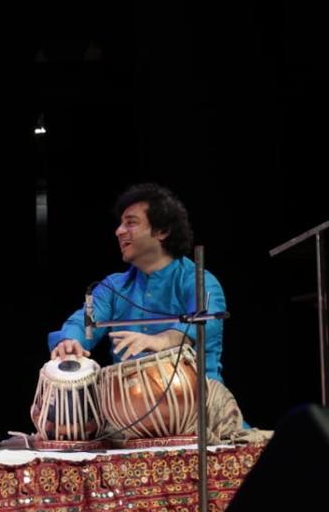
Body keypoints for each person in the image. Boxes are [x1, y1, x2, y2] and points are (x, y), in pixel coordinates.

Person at [48, 182, 244, 437]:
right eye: (120, 224)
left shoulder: (197, 279)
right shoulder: (113, 287)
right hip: (127, 414)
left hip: (197, 409)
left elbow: (207, 322)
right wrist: (69, 341)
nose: (119, 231)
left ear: (162, 230)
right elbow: (84, 320)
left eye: (130, 223)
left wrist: (161, 340)